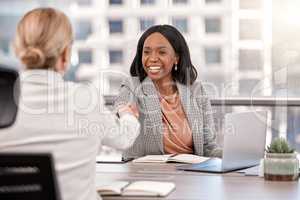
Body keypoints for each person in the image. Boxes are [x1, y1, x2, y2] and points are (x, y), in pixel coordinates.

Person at [0, 8, 139, 200]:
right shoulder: (85, 99)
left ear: (18, 50)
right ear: (66, 54)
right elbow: (123, 139)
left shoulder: (3, 100)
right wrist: (128, 115)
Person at [115, 24, 222, 161]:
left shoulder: (196, 90)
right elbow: (122, 105)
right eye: (146, 52)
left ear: (176, 57)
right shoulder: (133, 86)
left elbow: (209, 147)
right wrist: (126, 114)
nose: (152, 58)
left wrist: (236, 155)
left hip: (192, 174)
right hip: (145, 173)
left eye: (162, 52)